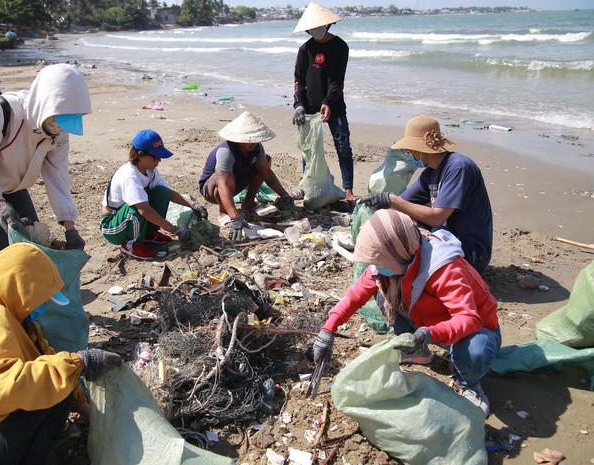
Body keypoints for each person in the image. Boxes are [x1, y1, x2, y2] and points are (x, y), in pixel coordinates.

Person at [0, 242, 122, 464]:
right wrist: (78, 363)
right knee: (54, 388)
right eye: (41, 300)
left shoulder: (4, 313)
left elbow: (41, 358)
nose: (42, 308)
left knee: (55, 379)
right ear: (19, 289)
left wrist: (95, 418)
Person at [312, 209, 501, 415]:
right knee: (381, 294)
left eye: (379, 261)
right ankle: (418, 352)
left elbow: (469, 318)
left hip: (476, 329)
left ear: (400, 253)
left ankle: (470, 384)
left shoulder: (443, 267)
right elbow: (354, 298)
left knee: (475, 350)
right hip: (428, 324)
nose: (375, 267)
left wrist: (429, 333)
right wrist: (328, 330)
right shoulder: (391, 264)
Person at [0, 63, 92, 270]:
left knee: (34, 246)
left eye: (67, 122)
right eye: (56, 121)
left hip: (12, 179)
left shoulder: (60, 129)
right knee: (3, 256)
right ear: (43, 105)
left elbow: (58, 175)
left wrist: (70, 227)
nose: (59, 129)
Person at [359, 115, 493, 274]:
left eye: (410, 149)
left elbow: (437, 217)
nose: (409, 153)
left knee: (402, 253)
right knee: (396, 231)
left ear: (420, 148)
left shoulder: (459, 167)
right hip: (446, 238)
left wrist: (391, 199)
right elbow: (403, 205)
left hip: (470, 252)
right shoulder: (431, 173)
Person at [100, 129, 209, 260]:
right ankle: (131, 245)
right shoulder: (129, 175)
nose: (159, 161)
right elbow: (143, 210)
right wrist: (174, 229)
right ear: (140, 155)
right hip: (113, 227)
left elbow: (167, 193)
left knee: (162, 192)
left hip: (128, 220)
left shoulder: (150, 171)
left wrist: (192, 204)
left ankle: (148, 234)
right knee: (137, 207)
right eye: (155, 157)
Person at [292, 2, 355, 202]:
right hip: (309, 108)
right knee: (309, 150)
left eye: (318, 27)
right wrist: (298, 105)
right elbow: (298, 80)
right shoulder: (305, 49)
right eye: (311, 29)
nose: (315, 31)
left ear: (327, 25)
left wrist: (328, 102)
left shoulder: (340, 47)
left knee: (343, 146)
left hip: (334, 106)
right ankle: (309, 186)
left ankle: (348, 190)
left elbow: (338, 80)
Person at [199, 111, 294, 242]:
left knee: (265, 161)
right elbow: (222, 185)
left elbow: (267, 174)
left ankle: (248, 202)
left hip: (236, 181)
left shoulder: (257, 148)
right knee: (225, 177)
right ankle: (223, 212)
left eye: (256, 140)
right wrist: (235, 217)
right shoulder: (226, 152)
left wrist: (284, 195)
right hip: (213, 189)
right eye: (250, 140)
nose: (253, 143)